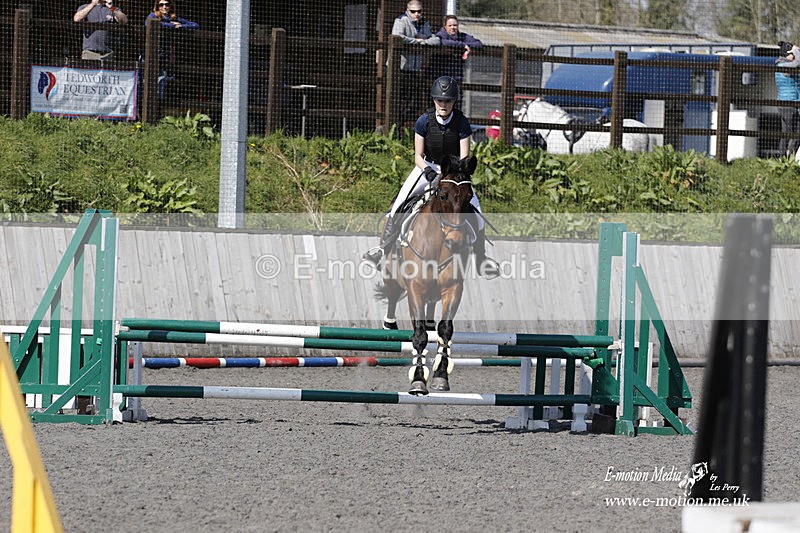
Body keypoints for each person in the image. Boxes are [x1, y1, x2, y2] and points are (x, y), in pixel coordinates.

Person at [363, 76, 499, 278]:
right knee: (400, 203)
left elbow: (464, 157)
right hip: (425, 168)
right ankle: (382, 250)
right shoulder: (424, 121)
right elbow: (417, 155)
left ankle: (481, 259)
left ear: (454, 102)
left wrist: (457, 174)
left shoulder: (461, 123)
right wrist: (426, 170)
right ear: (434, 100)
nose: (443, 105)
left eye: (448, 101)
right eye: (440, 100)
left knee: (476, 211)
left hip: (452, 173)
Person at [392, 1, 440, 123]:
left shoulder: (424, 23)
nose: (417, 14)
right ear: (408, 11)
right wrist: (417, 41)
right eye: (413, 11)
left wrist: (423, 42)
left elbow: (436, 40)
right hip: (399, 69)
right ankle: (395, 125)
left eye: (419, 11)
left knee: (415, 102)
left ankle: (399, 123)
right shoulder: (401, 21)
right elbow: (397, 37)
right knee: (398, 100)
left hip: (414, 70)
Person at [145, 0, 199, 99]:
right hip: (149, 55)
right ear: (157, 6)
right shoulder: (153, 16)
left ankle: (158, 108)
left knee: (161, 82)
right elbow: (149, 23)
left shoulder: (173, 18)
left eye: (167, 4)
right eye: (161, 5)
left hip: (164, 56)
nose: (164, 7)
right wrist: (172, 26)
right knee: (146, 82)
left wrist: (182, 26)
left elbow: (195, 25)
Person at [433, 15, 483, 83]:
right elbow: (444, 42)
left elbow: (479, 44)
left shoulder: (463, 36)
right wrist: (462, 45)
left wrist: (467, 45)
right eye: (450, 25)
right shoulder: (441, 35)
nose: (453, 27)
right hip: (441, 73)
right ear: (445, 26)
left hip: (457, 73)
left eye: (455, 25)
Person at [775, 41, 800, 157]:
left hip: (791, 103)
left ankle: (785, 157)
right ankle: (789, 157)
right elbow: (797, 63)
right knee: (794, 133)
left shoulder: (784, 65)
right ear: (788, 54)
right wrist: (796, 51)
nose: (794, 56)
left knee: (787, 133)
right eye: (793, 54)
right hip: (788, 104)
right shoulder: (783, 66)